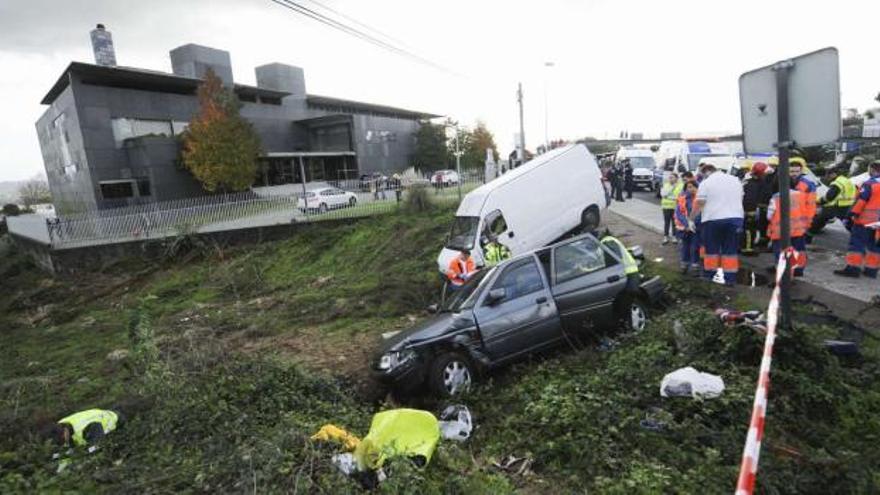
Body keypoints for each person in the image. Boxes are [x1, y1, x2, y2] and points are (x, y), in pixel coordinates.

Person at [690, 163, 744, 286]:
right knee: (730, 250)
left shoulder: (706, 183)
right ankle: (730, 279)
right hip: (735, 219)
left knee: (711, 250)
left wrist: (691, 219)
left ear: (706, 172)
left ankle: (709, 276)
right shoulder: (735, 180)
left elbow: (699, 203)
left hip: (712, 219)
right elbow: (740, 199)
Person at [834, 160, 880, 278]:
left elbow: (861, 202)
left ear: (873, 170)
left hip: (865, 220)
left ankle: (853, 269)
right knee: (874, 245)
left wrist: (851, 214)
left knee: (857, 244)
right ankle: (871, 271)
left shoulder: (870, 184)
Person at [766, 181, 810, 277]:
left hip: (780, 231)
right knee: (799, 251)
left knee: (782, 255)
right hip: (798, 229)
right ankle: (799, 269)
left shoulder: (776, 197)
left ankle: (784, 279)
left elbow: (769, 215)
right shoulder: (802, 195)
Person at [807, 166, 856, 240]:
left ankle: (808, 237)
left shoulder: (837, 183)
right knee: (849, 224)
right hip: (847, 205)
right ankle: (859, 236)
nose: (828, 177)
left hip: (836, 206)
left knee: (818, 220)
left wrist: (819, 201)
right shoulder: (846, 180)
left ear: (833, 174)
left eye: (829, 175)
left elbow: (829, 197)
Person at [741, 162, 770, 255]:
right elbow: (750, 198)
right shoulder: (751, 184)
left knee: (751, 229)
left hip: (752, 209)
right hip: (750, 210)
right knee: (749, 230)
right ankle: (748, 248)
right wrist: (750, 212)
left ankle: (748, 247)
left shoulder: (751, 181)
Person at [52, 409, 120, 448]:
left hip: (113, 419)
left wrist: (92, 447)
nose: (64, 442)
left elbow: (99, 446)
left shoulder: (84, 428)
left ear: (65, 430)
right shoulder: (61, 423)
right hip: (100, 414)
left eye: (63, 439)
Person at [674, 180, 701, 274]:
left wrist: (693, 224)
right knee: (685, 246)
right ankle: (684, 265)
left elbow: (702, 213)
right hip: (685, 228)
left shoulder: (700, 199)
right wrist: (687, 224)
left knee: (695, 247)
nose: (691, 189)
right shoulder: (682, 199)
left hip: (696, 228)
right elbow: (679, 213)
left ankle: (695, 267)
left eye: (692, 187)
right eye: (688, 187)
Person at [660, 172, 682, 245]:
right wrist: (672, 189)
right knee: (667, 222)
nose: (670, 179)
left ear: (676, 178)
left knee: (674, 222)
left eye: (672, 177)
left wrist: (669, 197)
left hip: (675, 207)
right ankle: (665, 236)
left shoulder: (681, 186)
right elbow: (663, 194)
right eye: (669, 177)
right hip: (666, 207)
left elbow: (679, 197)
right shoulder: (666, 185)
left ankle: (674, 236)